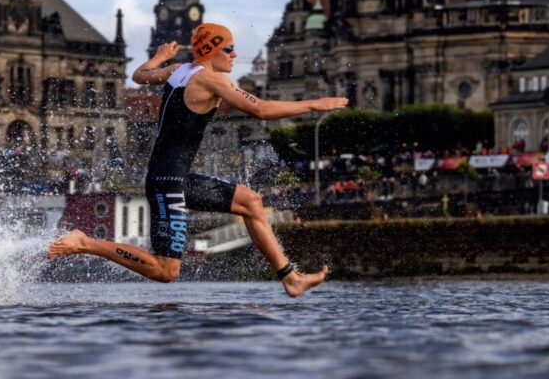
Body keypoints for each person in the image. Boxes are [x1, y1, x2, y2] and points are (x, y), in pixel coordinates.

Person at [48, 23, 348, 297]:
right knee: (165, 270)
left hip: (175, 178)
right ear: (212, 50)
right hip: (168, 182)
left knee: (251, 202)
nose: (234, 54)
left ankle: (290, 278)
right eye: (229, 49)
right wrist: (314, 104)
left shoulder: (178, 70)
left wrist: (160, 57)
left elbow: (139, 75)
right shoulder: (210, 80)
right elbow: (261, 109)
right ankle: (86, 243)